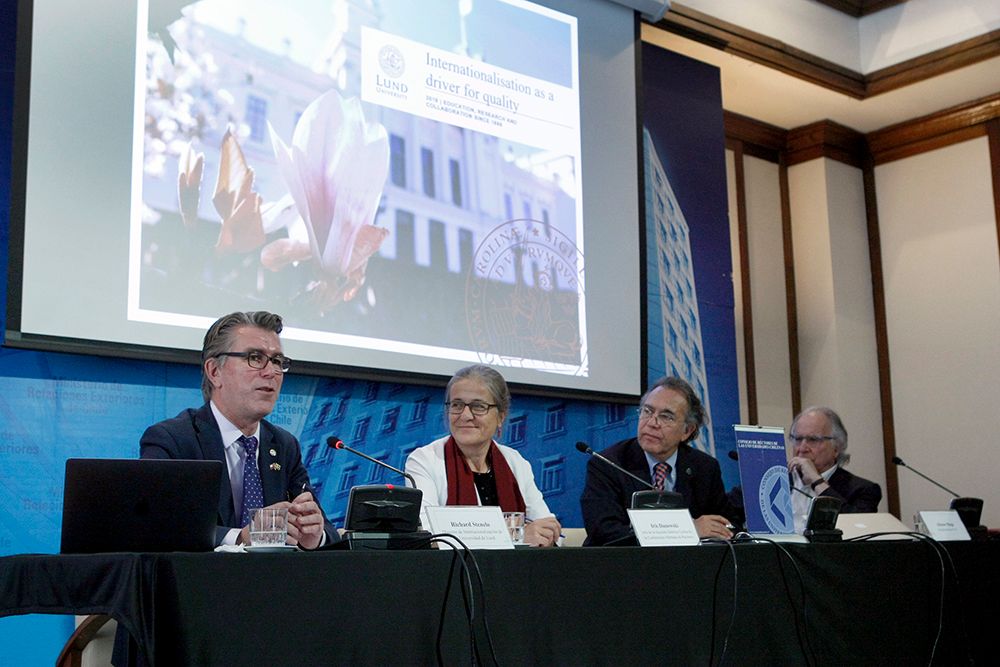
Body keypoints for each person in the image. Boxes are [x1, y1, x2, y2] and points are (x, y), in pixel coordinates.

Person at [139, 311, 337, 548]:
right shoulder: (173, 440)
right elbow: (156, 526)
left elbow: (326, 529)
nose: (271, 372)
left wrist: (314, 536)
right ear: (215, 371)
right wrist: (240, 537)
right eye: (255, 358)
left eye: (277, 361)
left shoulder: (284, 445)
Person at [405, 364, 562, 547]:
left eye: (478, 406)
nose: (465, 415)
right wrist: (516, 535)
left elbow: (547, 527)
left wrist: (541, 533)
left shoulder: (515, 461)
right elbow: (429, 534)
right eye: (457, 405)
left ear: (501, 416)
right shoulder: (424, 460)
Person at [580, 376, 737, 545]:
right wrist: (686, 530)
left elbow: (725, 526)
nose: (652, 423)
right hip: (621, 560)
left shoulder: (705, 467)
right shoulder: (608, 464)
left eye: (666, 417)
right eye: (647, 411)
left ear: (687, 430)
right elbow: (604, 532)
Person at [787, 406, 882, 532]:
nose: (802, 448)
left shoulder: (863, 490)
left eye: (813, 440)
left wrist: (817, 481)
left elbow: (856, 530)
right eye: (798, 439)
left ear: (836, 448)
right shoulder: (778, 481)